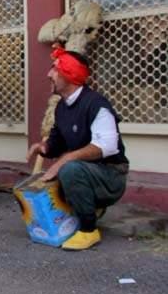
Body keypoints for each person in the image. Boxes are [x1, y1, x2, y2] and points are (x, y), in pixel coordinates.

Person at [27, 46, 129, 250]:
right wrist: (44, 148)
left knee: (69, 169)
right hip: (87, 171)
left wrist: (64, 160)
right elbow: (57, 143)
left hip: (111, 175)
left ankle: (88, 231)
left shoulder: (96, 104)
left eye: (54, 69)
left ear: (69, 74)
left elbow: (107, 146)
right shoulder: (62, 106)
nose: (49, 74)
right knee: (58, 173)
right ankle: (87, 209)